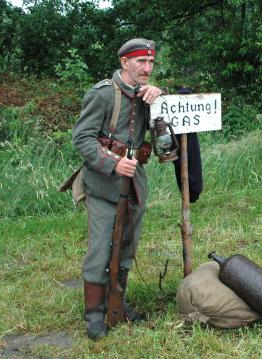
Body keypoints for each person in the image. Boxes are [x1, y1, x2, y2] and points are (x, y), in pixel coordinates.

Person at [72, 38, 164, 340]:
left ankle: (118, 305)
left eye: (151, 63)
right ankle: (95, 316)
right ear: (125, 62)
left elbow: (163, 130)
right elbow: (82, 138)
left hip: (134, 184)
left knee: (126, 247)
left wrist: (160, 98)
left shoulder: (147, 95)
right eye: (141, 62)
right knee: (101, 250)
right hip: (103, 184)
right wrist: (112, 163)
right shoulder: (102, 95)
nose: (147, 68)